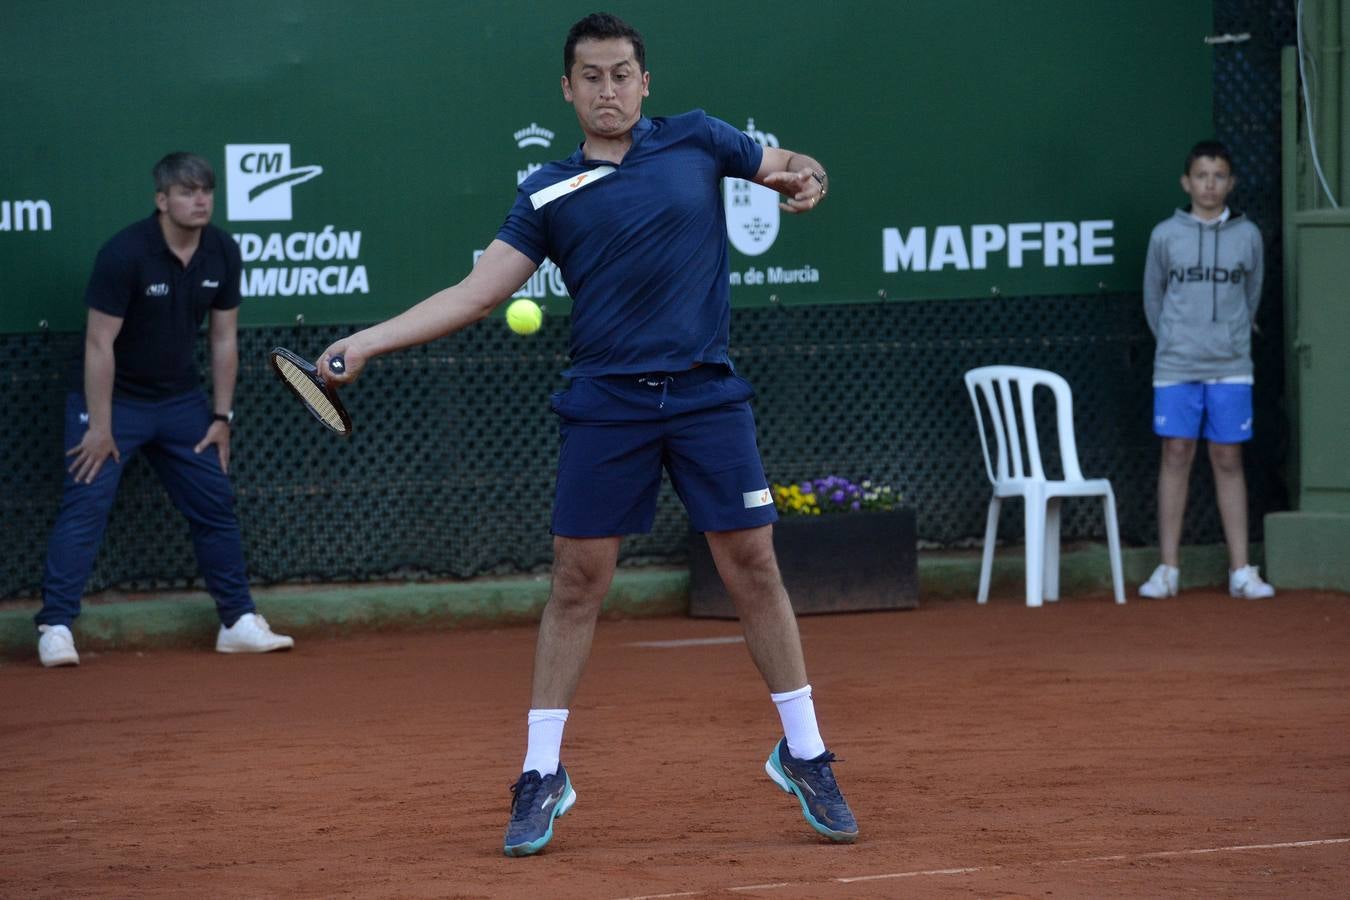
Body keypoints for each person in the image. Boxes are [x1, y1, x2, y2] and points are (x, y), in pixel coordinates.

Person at [318, 12, 857, 856]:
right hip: (606, 402)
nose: (609, 90)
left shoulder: (699, 140)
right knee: (578, 580)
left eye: (622, 74)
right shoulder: (545, 192)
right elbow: (475, 293)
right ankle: (541, 774)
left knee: (753, 565)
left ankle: (807, 753)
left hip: (708, 394)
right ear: (567, 90)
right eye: (592, 77)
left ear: (646, 83)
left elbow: (790, 164)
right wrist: (369, 339)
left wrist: (806, 175)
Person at [35, 152, 294, 667]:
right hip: (115, 404)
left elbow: (223, 338)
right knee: (86, 507)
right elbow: (98, 345)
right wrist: (101, 426)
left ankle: (237, 621)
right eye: (186, 191)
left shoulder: (221, 249)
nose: (199, 200)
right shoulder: (125, 254)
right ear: (161, 200)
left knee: (214, 504)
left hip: (181, 404)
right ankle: (56, 626)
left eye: (206, 191)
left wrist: (222, 418)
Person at [1140, 140, 1274, 601]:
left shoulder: (1249, 236)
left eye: (1219, 176)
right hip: (1175, 364)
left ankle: (1240, 570)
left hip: (1232, 365)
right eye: (1201, 175)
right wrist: (1177, 341)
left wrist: (1229, 339)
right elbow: (1153, 299)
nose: (1210, 184)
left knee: (1227, 458)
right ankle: (1168, 570)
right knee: (1176, 453)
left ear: (1230, 183)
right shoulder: (1165, 236)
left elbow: (1252, 294)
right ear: (1186, 182)